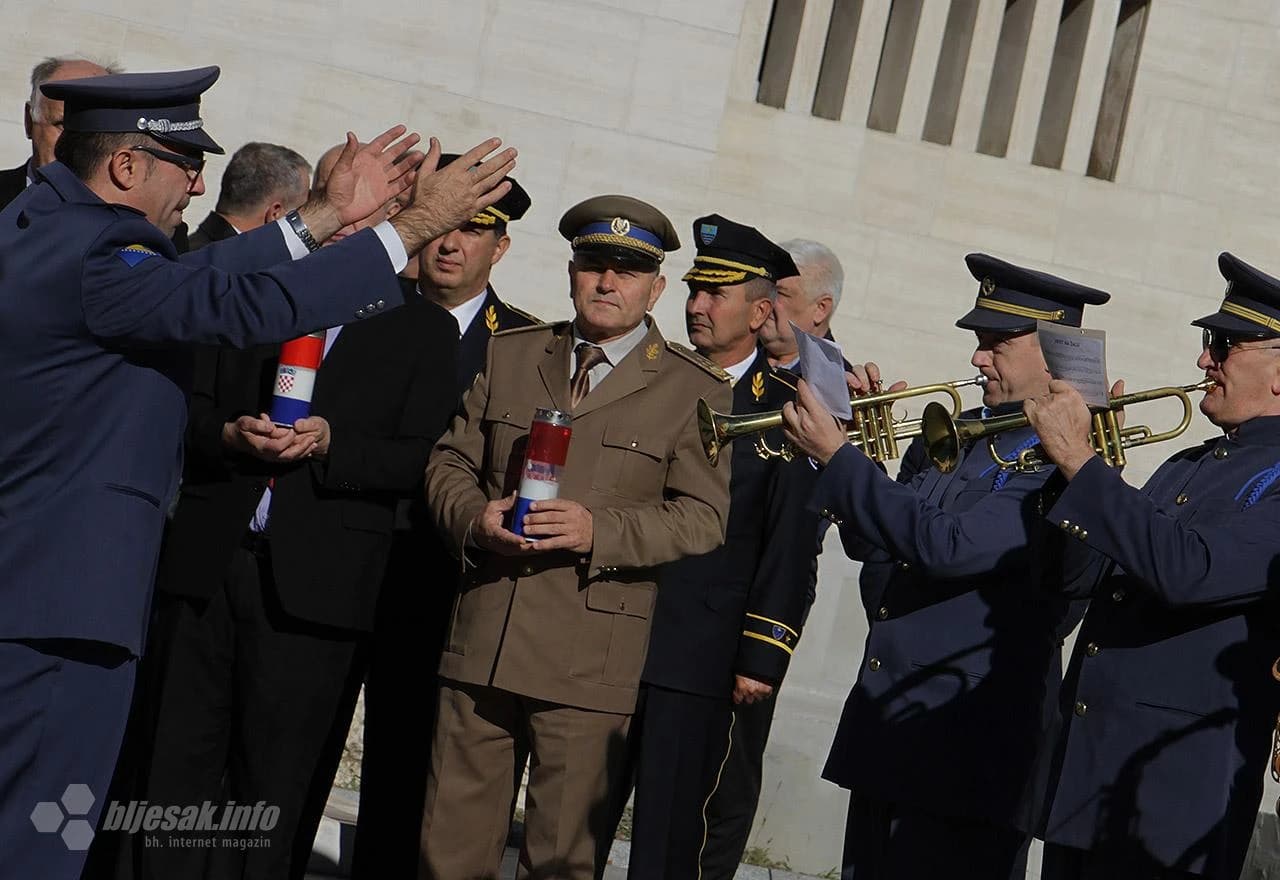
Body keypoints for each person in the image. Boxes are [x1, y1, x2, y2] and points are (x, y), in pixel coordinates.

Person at [0, 64, 514, 880]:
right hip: (63, 605)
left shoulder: (45, 225)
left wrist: (324, 216)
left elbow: (197, 279)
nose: (200, 185)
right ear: (127, 165)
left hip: (43, 592)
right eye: (185, 164)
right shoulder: (97, 254)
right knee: (37, 842)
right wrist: (409, 228)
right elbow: (235, 304)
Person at [128, 136, 461, 879]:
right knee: (170, 777)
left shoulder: (423, 330)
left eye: (367, 211)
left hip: (317, 592)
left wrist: (334, 444)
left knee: (270, 792)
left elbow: (423, 458)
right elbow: (181, 409)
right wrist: (228, 433)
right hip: (210, 569)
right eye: (338, 203)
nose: (346, 223)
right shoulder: (257, 293)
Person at [419, 195, 733, 880]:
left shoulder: (692, 389)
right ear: (571, 272)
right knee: (448, 854)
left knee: (559, 861)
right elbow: (449, 463)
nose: (607, 282)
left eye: (628, 271)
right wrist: (475, 518)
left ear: (656, 288)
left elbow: (703, 517)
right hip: (487, 635)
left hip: (589, 658)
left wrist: (599, 530)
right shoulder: (512, 353)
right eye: (593, 265)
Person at [781, 254, 1109, 880]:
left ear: (1054, 354)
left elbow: (950, 546)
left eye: (997, 345)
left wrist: (842, 461)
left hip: (970, 748)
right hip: (892, 728)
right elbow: (874, 547)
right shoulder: (961, 433)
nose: (978, 358)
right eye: (980, 342)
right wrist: (853, 454)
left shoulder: (1061, 463)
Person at [1024, 252, 1280, 880]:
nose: (1203, 360)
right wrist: (1075, 475)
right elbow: (1083, 581)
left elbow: (1190, 572)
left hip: (1172, 806)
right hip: (1090, 783)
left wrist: (1083, 465)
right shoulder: (1188, 463)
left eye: (1223, 346)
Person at [354, 161, 538, 879]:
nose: (451, 243)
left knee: (437, 775)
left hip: (451, 579)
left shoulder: (524, 346)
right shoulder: (368, 309)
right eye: (442, 224)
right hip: (350, 562)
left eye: (474, 229)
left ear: (501, 247)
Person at [625, 214, 821, 879]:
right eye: (693, 290)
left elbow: (790, 542)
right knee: (577, 821)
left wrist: (762, 653)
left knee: (671, 834)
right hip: (613, 631)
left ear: (761, 312)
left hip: (702, 653)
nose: (697, 305)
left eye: (716, 294)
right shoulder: (645, 377)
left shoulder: (788, 407)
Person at [0, 55, 117, 208]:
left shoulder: (128, 217)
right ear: (29, 121)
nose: (77, 144)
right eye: (63, 125)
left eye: (93, 130)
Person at [186, 141, 311, 248]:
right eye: (300, 212)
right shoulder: (234, 265)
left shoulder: (189, 251)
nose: (304, 224)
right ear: (275, 214)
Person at [760, 238, 844, 368]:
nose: (763, 300)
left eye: (779, 293)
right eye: (764, 289)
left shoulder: (836, 379)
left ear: (820, 309)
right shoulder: (735, 352)